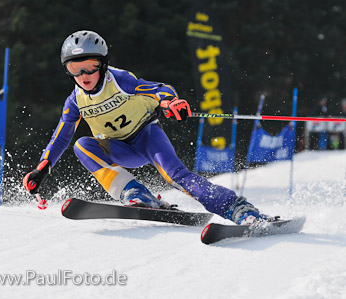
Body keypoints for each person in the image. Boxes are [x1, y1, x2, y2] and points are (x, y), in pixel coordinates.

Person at [23, 30, 266, 225]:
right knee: (82, 145)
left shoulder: (119, 80)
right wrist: (42, 169)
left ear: (103, 64)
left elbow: (158, 88)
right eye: (75, 68)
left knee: (177, 177)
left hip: (146, 136)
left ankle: (237, 208)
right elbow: (61, 137)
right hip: (118, 149)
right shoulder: (75, 101)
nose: (84, 74)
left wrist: (171, 101)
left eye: (91, 65)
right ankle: (136, 193)